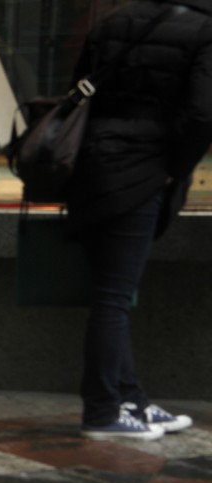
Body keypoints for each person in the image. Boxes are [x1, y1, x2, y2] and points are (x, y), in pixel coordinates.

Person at [67, 0, 212, 440]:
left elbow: (79, 88)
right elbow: (203, 113)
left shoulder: (113, 21)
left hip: (91, 168)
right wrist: (175, 167)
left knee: (113, 292)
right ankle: (103, 411)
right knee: (113, 299)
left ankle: (133, 401)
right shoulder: (206, 30)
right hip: (142, 172)